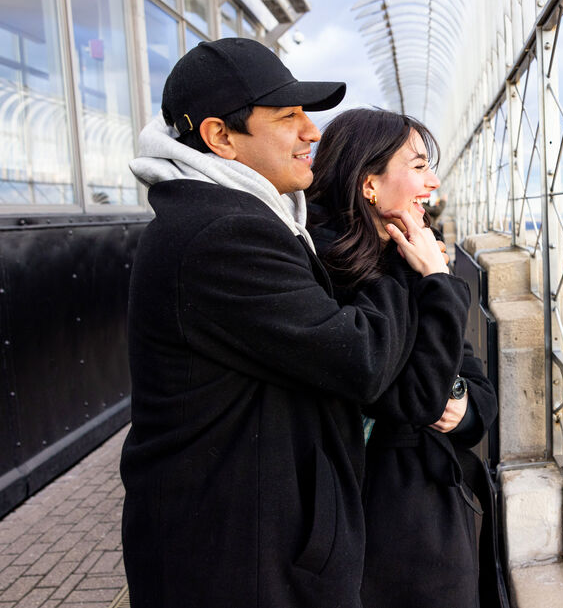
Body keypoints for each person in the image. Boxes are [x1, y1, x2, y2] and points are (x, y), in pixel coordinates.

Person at [120, 38, 472, 608]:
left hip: (253, 543)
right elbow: (359, 362)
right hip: (236, 560)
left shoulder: (248, 218)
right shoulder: (222, 234)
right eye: (288, 116)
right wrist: (417, 272)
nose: (312, 131)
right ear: (220, 137)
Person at [306, 108, 498, 608]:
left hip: (431, 502)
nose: (433, 181)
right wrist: (438, 282)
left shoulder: (408, 251)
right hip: (380, 517)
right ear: (369, 184)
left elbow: (474, 383)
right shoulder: (325, 270)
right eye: (417, 166)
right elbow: (413, 396)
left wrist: (464, 406)